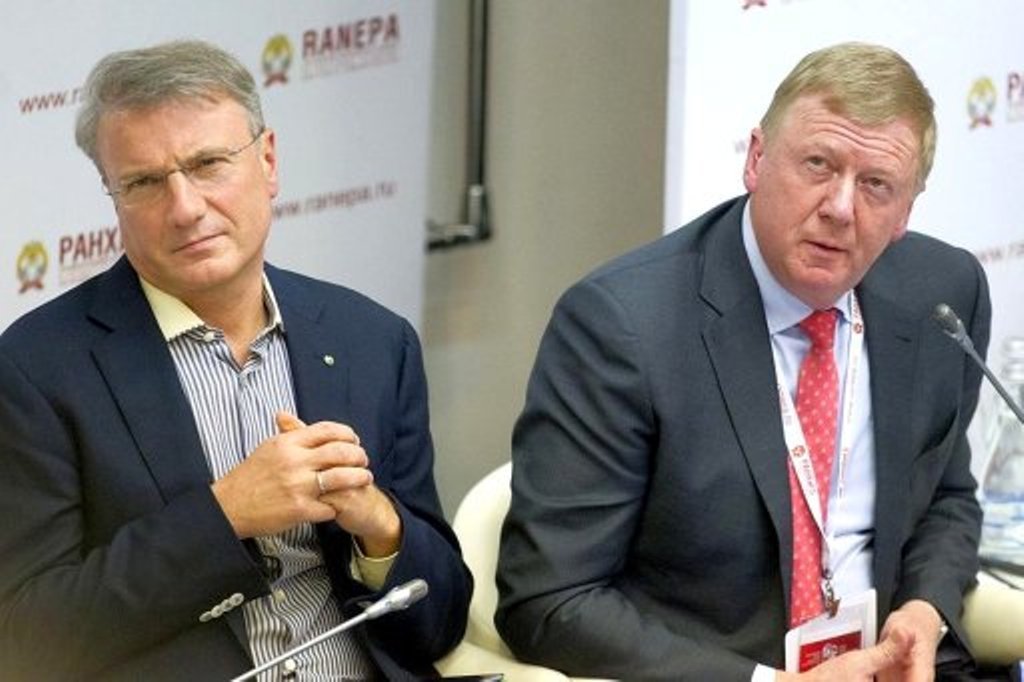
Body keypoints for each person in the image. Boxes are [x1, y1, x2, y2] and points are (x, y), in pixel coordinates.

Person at [496, 42, 996, 681]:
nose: (840, 208)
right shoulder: (624, 326)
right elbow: (549, 602)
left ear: (906, 211)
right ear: (756, 159)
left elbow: (947, 497)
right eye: (818, 164)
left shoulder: (941, 294)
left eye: (876, 185)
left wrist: (925, 611)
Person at [0, 39, 471, 681]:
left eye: (208, 164)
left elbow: (441, 621)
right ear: (112, 195)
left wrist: (380, 526)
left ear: (268, 161)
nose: (185, 208)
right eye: (144, 183)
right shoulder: (37, 370)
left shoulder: (372, 339)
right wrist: (225, 516)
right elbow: (26, 639)